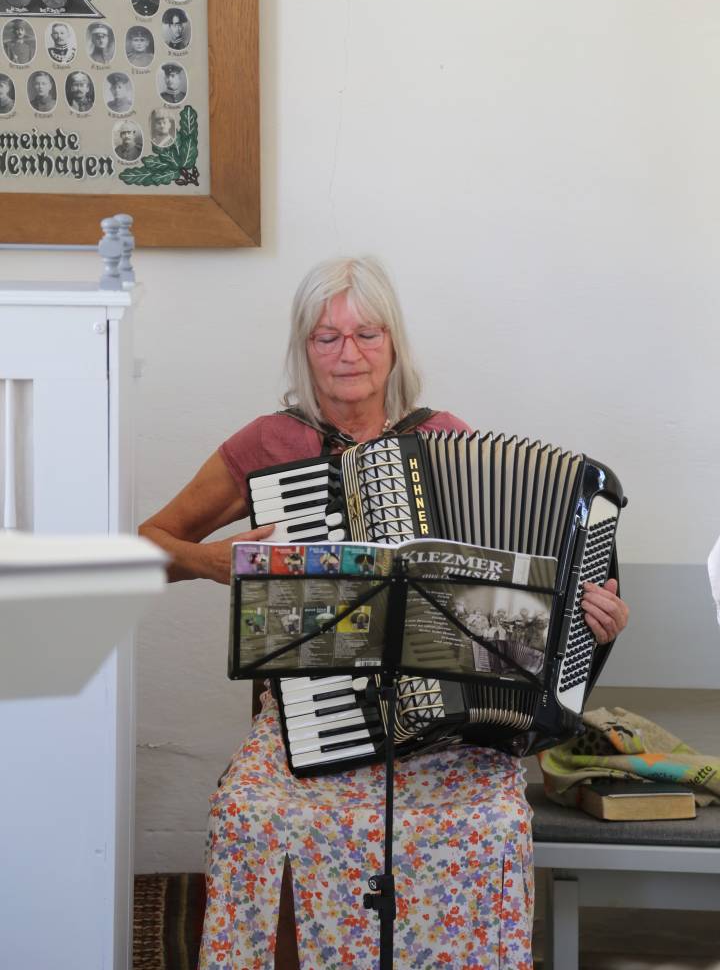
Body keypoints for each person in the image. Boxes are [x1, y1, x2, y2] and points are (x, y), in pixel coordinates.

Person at [139, 257, 630, 969]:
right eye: (327, 337)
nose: (348, 354)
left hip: (443, 728)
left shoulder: (451, 441)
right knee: (248, 812)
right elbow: (147, 544)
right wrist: (212, 562)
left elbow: (508, 611)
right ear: (302, 349)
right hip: (310, 714)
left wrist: (591, 618)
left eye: (367, 334)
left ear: (394, 343)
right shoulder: (269, 444)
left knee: (493, 820)